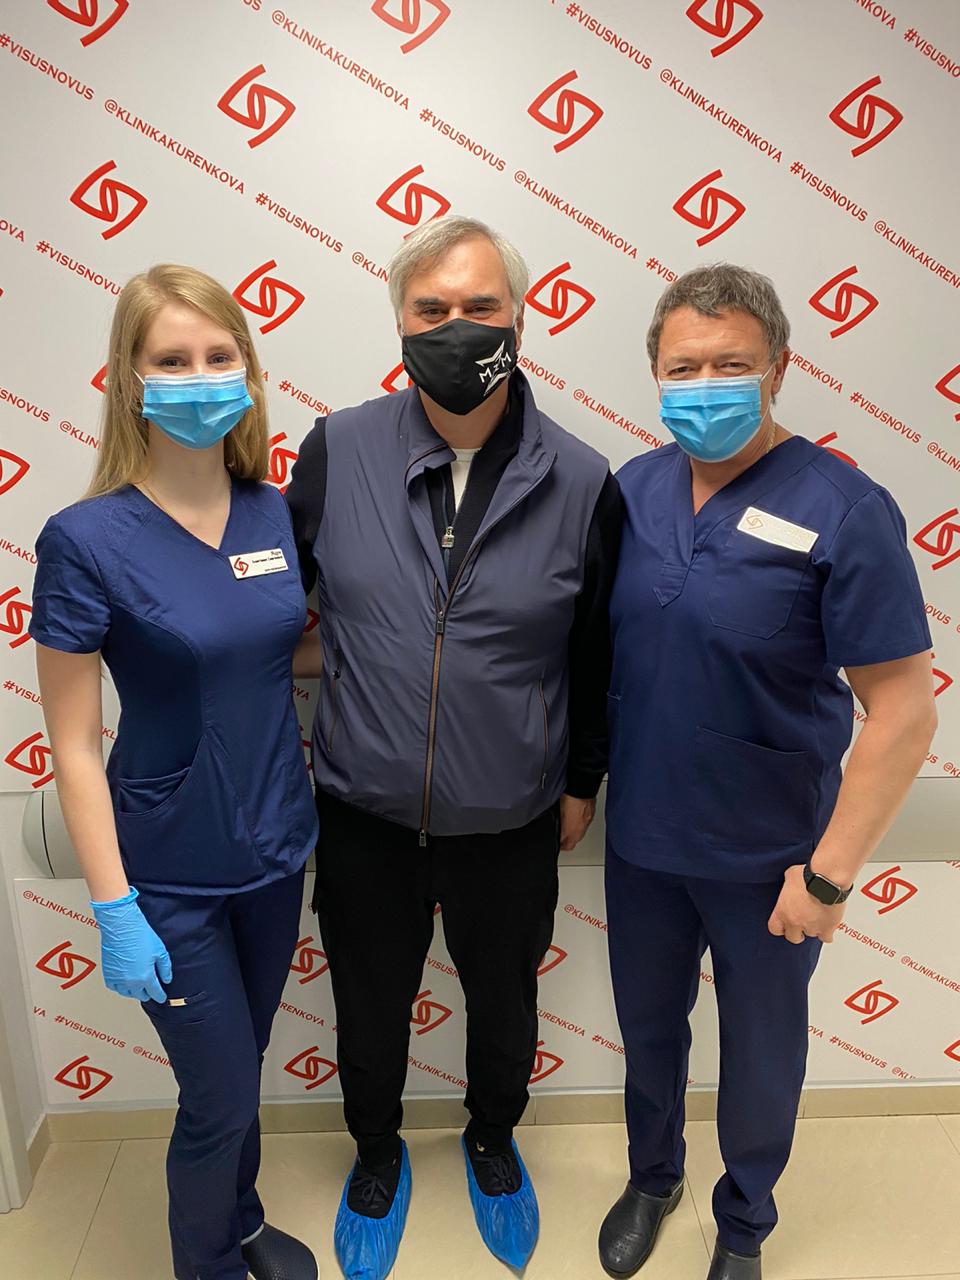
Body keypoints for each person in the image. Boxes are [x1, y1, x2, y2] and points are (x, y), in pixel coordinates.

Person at [286, 214, 622, 1279]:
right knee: (367, 1005)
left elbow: (594, 653)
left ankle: (491, 1137)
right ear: (399, 319)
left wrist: (580, 780)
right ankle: (376, 1149)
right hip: (364, 810)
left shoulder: (583, 479)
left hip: (511, 813)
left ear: (521, 318)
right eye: (431, 308)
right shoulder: (336, 450)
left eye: (480, 305)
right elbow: (275, 609)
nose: (456, 325)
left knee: (505, 1004)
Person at [598, 263, 937, 1280]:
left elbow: (905, 711)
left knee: (760, 1051)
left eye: (731, 365)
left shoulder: (845, 507)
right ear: (655, 374)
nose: (705, 386)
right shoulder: (632, 490)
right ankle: (653, 1175)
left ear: (779, 367)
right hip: (645, 840)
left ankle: (743, 1222)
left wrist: (828, 877)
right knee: (649, 1031)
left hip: (773, 858)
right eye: (683, 367)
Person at [30, 265, 319, 1280]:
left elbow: (272, 648)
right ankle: (207, 1264)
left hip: (275, 849)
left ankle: (240, 1217)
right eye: (172, 360)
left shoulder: (272, 512)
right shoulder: (85, 540)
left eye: (217, 355)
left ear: (248, 370)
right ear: (129, 378)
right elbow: (72, 741)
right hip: (168, 873)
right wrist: (114, 905)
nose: (200, 378)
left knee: (245, 1065)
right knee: (218, 1097)